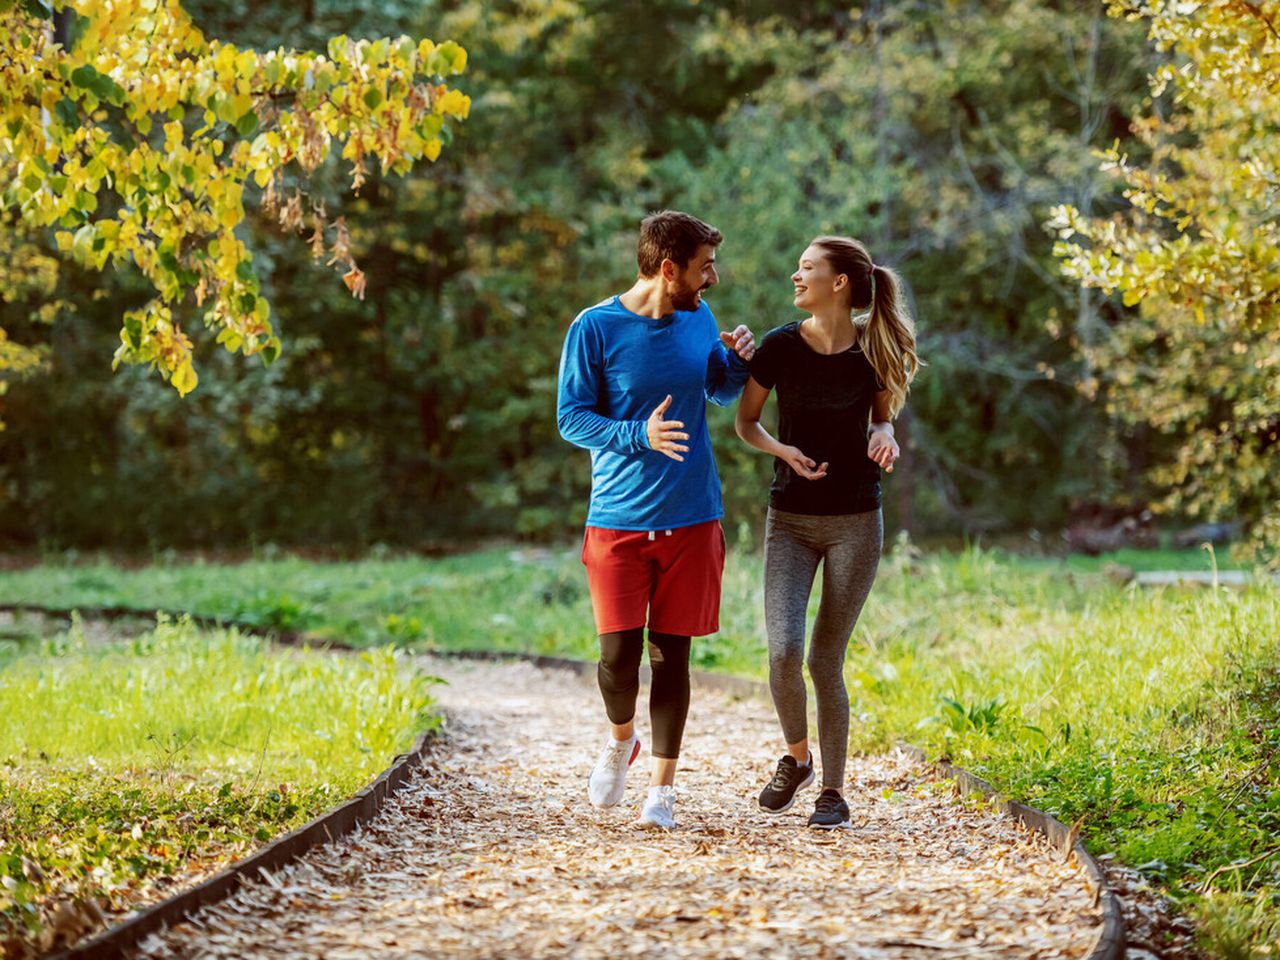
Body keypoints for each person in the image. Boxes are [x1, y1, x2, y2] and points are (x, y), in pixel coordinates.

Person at [556, 210, 756, 830]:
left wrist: (736, 365)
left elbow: (717, 392)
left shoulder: (700, 318)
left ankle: (662, 791)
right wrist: (637, 434)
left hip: (693, 516)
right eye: (704, 268)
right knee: (618, 660)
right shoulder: (595, 327)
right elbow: (572, 418)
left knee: (673, 658)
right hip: (617, 519)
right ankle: (622, 741)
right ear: (669, 269)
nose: (713, 279)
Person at [735, 235, 921, 829]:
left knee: (824, 659)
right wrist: (783, 451)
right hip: (789, 519)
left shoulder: (873, 348)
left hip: (856, 524)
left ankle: (834, 794)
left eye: (806, 268)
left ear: (838, 283)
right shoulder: (780, 347)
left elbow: (883, 417)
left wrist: (886, 434)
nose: (796, 276)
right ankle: (796, 759)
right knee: (783, 650)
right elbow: (745, 422)